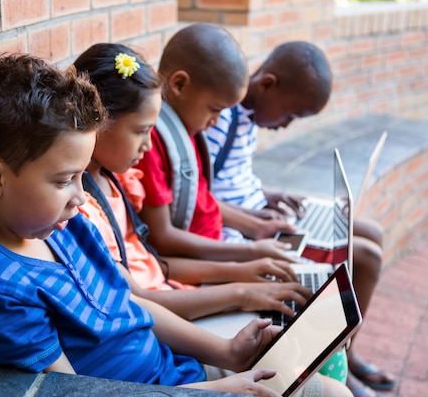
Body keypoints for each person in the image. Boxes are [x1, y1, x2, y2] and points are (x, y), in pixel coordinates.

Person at [0, 53, 312, 397]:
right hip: (179, 389)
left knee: (312, 366)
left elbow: (129, 301)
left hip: (177, 371)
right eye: (64, 180)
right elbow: (71, 393)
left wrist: (227, 351)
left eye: (82, 177)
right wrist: (211, 391)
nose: (81, 197)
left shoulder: (59, 226)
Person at [205, 41, 397, 397]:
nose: (286, 125)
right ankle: (343, 356)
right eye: (289, 114)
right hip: (246, 234)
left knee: (370, 230)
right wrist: (254, 222)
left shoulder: (246, 118)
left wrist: (270, 195)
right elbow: (202, 199)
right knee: (366, 257)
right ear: (267, 85)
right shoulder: (219, 119)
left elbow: (232, 180)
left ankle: (348, 350)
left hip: (260, 215)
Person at [74, 42, 312, 321]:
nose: (148, 145)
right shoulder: (83, 206)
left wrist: (242, 269)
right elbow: (139, 298)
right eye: (141, 131)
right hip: (167, 312)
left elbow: (155, 265)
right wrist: (240, 290)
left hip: (178, 290)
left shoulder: (115, 178)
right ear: (98, 119)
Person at [133, 22, 295, 264]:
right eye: (214, 109)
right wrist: (251, 253)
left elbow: (201, 202)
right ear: (179, 85)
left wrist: (255, 222)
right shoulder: (150, 143)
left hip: (219, 243)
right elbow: (162, 238)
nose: (215, 121)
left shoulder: (187, 130)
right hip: (204, 261)